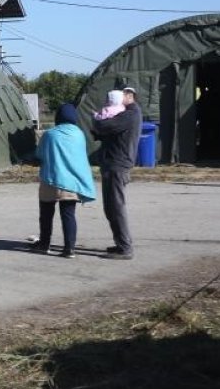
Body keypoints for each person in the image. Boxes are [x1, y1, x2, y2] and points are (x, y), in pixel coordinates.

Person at [30, 104, 96, 258]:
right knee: (68, 214)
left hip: (51, 180)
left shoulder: (50, 135)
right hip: (72, 182)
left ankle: (44, 245)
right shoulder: (79, 134)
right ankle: (69, 249)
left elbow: (39, 155)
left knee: (46, 214)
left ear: (58, 117)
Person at [92, 87, 142, 260]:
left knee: (116, 206)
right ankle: (120, 243)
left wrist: (97, 120)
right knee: (111, 207)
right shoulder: (126, 114)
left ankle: (125, 247)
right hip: (113, 163)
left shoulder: (129, 115)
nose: (121, 97)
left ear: (131, 97)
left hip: (117, 164)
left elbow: (104, 126)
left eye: (125, 94)